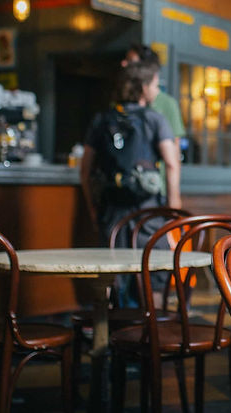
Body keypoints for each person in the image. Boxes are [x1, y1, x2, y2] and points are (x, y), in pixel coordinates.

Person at [80, 61, 181, 307]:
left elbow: (85, 170)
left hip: (112, 210)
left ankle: (107, 334)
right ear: (143, 88)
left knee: (109, 273)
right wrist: (173, 207)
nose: (157, 90)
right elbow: (171, 163)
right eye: (156, 85)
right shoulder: (155, 119)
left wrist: (93, 208)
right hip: (148, 212)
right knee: (154, 273)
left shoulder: (102, 119)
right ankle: (152, 333)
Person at [122, 43, 184, 198]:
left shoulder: (167, 104)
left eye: (130, 61)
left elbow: (174, 157)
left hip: (156, 190)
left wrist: (173, 199)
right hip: (125, 190)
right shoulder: (120, 104)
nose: (124, 64)